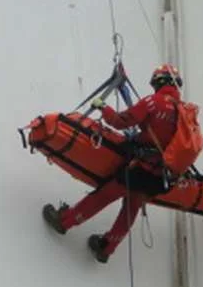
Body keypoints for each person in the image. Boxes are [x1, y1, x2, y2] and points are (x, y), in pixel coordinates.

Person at [42, 64, 184, 263]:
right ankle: (105, 248)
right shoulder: (184, 112)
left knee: (103, 196)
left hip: (139, 168)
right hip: (161, 177)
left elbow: (120, 121)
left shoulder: (154, 103)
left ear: (159, 82)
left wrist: (103, 107)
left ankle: (64, 221)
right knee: (130, 210)